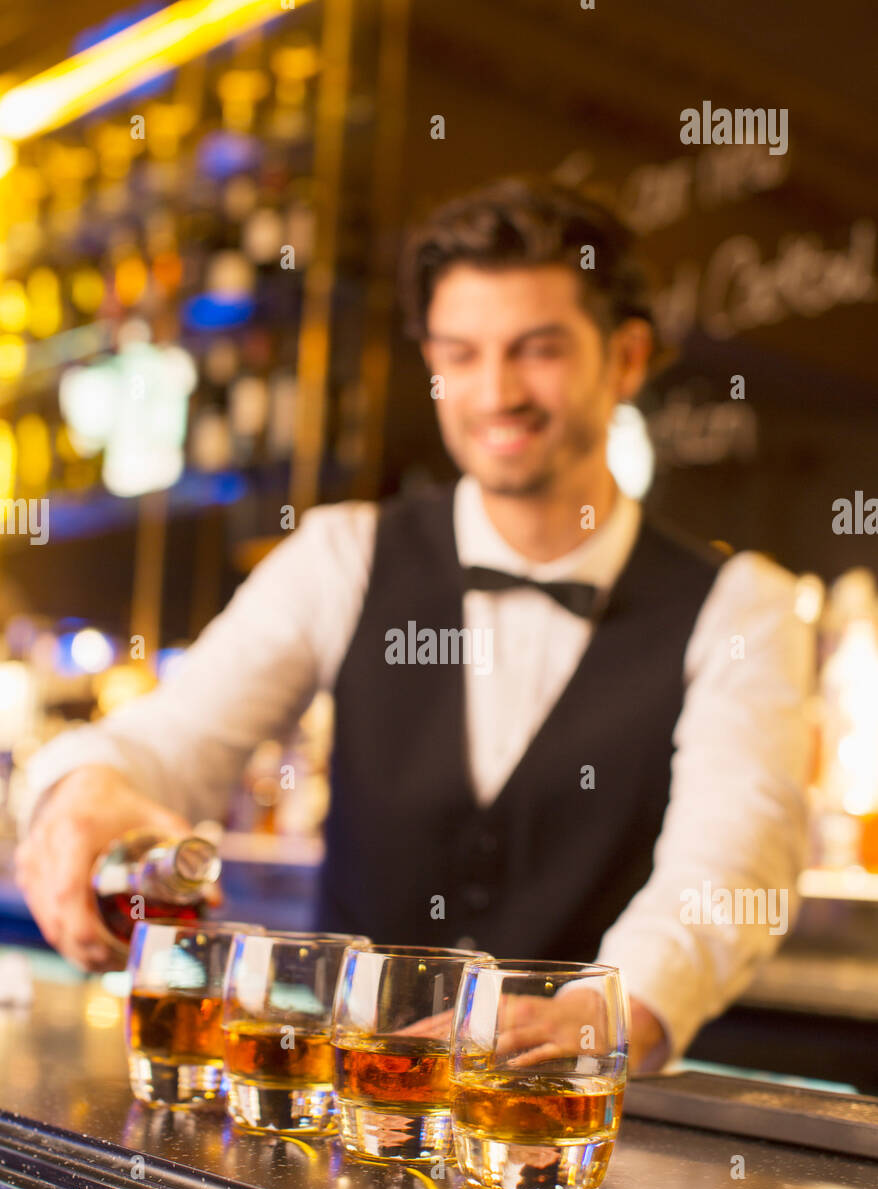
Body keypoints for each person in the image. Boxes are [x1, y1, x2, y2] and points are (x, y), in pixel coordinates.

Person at [16, 177, 814, 1075]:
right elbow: (174, 735)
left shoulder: (743, 604)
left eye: (538, 350)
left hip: (575, 1129)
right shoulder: (343, 556)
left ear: (626, 360)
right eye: (460, 354)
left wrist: (610, 1007)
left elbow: (736, 853)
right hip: (354, 1113)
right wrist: (86, 787)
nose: (495, 391)